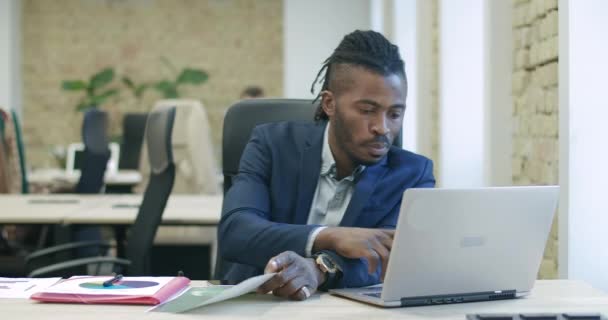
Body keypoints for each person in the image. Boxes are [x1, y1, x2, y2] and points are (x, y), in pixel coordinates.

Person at [217, 30, 435, 301]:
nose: (383, 128)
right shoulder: (271, 145)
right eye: (367, 110)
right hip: (254, 304)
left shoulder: (413, 174)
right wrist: (328, 236)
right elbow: (236, 232)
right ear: (329, 103)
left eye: (395, 114)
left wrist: (319, 268)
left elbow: (390, 260)